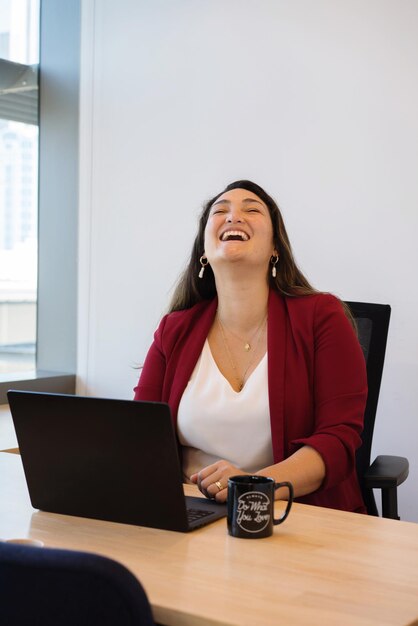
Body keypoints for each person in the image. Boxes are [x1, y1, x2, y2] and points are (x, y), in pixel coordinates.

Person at [134, 180, 367, 513]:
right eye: (221, 210)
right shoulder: (174, 330)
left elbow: (338, 439)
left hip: (296, 517)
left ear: (276, 248)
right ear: (203, 250)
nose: (234, 217)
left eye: (251, 209)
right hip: (190, 514)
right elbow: (140, 434)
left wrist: (253, 489)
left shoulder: (322, 317)